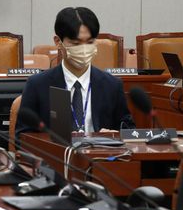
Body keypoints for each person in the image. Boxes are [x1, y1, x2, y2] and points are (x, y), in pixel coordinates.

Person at [16, 7, 135, 136]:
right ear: (58, 42)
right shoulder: (38, 84)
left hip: (99, 155)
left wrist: (116, 135)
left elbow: (129, 130)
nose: (84, 49)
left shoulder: (111, 85)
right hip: (56, 154)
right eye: (76, 43)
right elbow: (21, 137)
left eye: (90, 42)